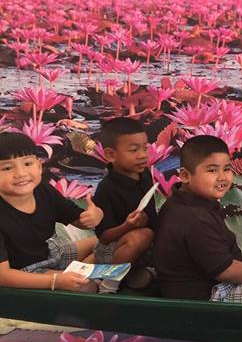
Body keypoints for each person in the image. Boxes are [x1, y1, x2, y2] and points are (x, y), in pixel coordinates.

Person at [154, 135, 242, 303]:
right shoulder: (194, 219)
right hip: (203, 296)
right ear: (185, 175)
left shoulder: (185, 201)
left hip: (210, 283)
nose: (222, 177)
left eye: (227, 169)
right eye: (212, 170)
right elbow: (225, 271)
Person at [0, 132, 103, 292]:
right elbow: (3, 276)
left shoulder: (43, 190)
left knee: (111, 243)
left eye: (27, 164)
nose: (20, 174)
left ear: (39, 166)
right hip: (25, 271)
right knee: (86, 287)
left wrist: (95, 216)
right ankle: (84, 279)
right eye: (7, 168)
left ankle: (81, 273)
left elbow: (78, 219)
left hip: (53, 253)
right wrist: (55, 281)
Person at [92, 117, 156, 266]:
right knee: (142, 236)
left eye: (145, 148)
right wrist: (127, 226)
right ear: (110, 155)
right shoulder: (106, 188)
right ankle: (109, 283)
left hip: (146, 246)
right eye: (134, 150)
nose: (142, 155)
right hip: (112, 250)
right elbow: (104, 237)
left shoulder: (145, 174)